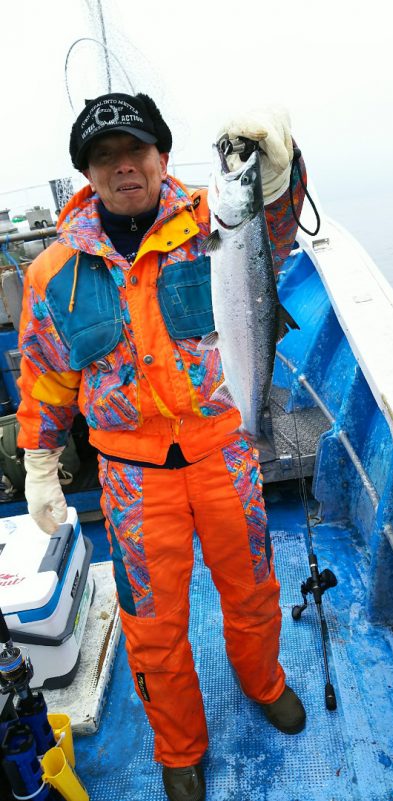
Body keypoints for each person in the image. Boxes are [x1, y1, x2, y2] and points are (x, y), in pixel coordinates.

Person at [17, 92, 307, 801]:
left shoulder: (214, 219)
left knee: (252, 587)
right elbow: (46, 377)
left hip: (225, 450)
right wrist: (39, 462)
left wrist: (280, 168)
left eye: (135, 152)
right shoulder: (53, 273)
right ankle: (179, 745)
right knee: (153, 623)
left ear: (162, 157)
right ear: (88, 172)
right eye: (104, 158)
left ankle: (264, 680)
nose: (123, 168)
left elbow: (277, 222)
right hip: (131, 477)